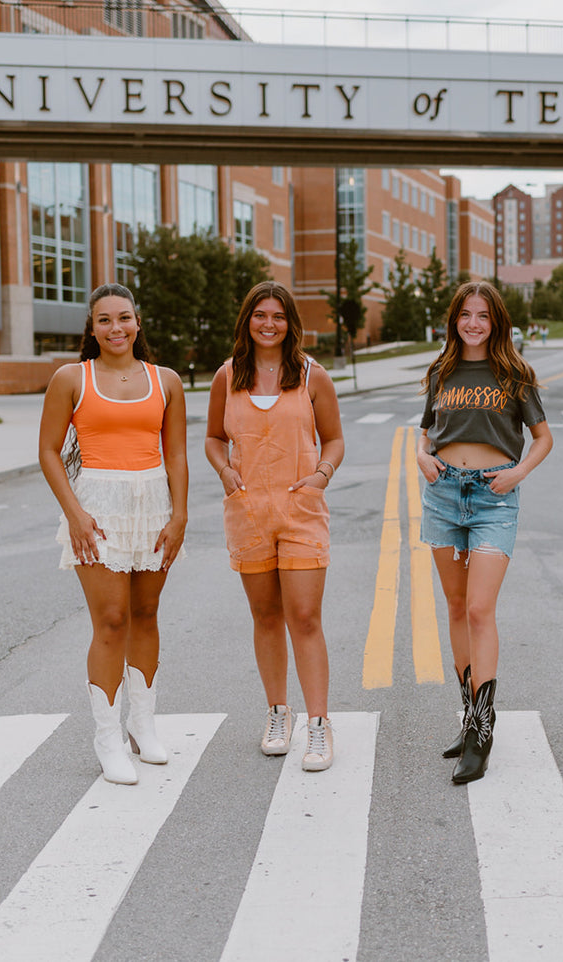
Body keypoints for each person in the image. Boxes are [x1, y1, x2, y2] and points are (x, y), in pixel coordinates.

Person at [38, 283, 188, 785]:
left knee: (145, 615)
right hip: (97, 508)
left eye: (124, 318)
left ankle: (142, 726)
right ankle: (108, 739)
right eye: (104, 320)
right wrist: (76, 514)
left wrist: (180, 515)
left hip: (153, 506)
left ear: (138, 323)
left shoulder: (165, 381)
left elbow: (178, 454)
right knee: (110, 621)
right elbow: (48, 452)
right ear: (92, 327)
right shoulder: (70, 378)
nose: (115, 328)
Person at [416, 280, 552, 784]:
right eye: (465, 315)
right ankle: (470, 721)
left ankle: (484, 730)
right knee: (454, 608)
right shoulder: (441, 370)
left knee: (478, 609)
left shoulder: (515, 373)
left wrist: (518, 473)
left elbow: (543, 438)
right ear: (454, 319)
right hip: (444, 495)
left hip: (495, 498)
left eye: (483, 316)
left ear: (496, 323)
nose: (473, 323)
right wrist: (419, 455)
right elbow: (426, 429)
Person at [206, 281, 344, 772]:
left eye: (278, 316)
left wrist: (320, 477)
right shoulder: (228, 376)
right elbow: (212, 438)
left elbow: (334, 440)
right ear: (247, 320)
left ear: (291, 324)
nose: (269, 324)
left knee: (304, 617)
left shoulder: (312, 377)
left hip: (301, 511)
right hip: (248, 512)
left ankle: (320, 725)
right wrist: (225, 473)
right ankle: (278, 713)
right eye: (260, 315)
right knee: (266, 618)